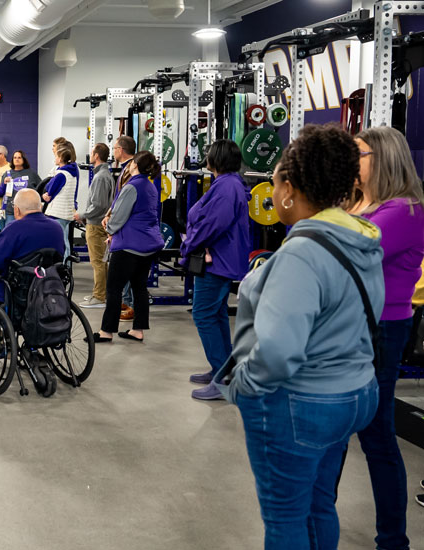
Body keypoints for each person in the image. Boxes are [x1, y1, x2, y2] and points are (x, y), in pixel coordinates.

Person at [215, 124, 382, 550]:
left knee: (285, 518)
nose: (271, 195)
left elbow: (277, 352)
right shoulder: (359, 240)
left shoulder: (302, 253)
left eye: (272, 184)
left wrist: (244, 387)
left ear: (289, 188)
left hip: (301, 403)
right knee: (319, 506)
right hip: (352, 394)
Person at [344, 126, 424, 550]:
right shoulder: (362, 204)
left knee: (376, 435)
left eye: (358, 155)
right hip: (349, 325)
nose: (351, 162)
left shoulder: (405, 211)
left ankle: (393, 540)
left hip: (381, 330)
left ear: (383, 159)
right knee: (335, 432)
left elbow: (346, 252)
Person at [180, 139, 251, 401]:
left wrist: (190, 244)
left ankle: (223, 379)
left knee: (203, 314)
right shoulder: (228, 183)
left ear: (215, 159)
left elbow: (213, 224)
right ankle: (220, 369)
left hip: (217, 260)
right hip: (221, 257)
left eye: (209, 154)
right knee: (217, 314)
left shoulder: (227, 186)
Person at [94, 152, 164, 343]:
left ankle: (106, 332)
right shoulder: (150, 186)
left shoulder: (131, 187)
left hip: (128, 246)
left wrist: (108, 226)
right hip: (148, 245)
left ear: (134, 165)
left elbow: (119, 216)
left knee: (114, 288)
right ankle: (138, 330)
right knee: (139, 287)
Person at [0, 188, 65, 308]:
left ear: (17, 210)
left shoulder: (14, 229)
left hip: (14, 294)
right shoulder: (57, 228)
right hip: (49, 291)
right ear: (40, 207)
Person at [75, 143, 115, 308]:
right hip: (100, 224)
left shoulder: (100, 177)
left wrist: (82, 215)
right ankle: (101, 293)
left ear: (97, 156)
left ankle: (99, 297)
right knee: (101, 262)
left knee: (97, 262)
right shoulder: (105, 174)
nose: (90, 155)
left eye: (92, 152)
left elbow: (98, 205)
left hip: (96, 225)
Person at [112, 136, 137, 321]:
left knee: (128, 270)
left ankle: (130, 303)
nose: (113, 152)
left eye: (114, 148)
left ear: (121, 149)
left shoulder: (130, 170)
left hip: (129, 229)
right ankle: (126, 300)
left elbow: (125, 201)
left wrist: (113, 226)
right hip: (122, 226)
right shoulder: (124, 170)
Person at [42, 142, 79, 259]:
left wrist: (47, 194)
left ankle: (62, 267)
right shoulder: (73, 171)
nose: (55, 159)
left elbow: (49, 188)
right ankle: (66, 267)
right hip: (66, 213)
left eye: (57, 156)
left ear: (61, 158)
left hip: (57, 213)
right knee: (65, 241)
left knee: (60, 243)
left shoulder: (61, 174)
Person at [1, 150, 40, 225]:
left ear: (24, 159)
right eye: (15, 157)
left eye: (19, 157)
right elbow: (1, 191)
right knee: (10, 233)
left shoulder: (31, 173)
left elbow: (40, 187)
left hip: (28, 210)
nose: (17, 159)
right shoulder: (7, 174)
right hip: (11, 210)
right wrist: (4, 183)